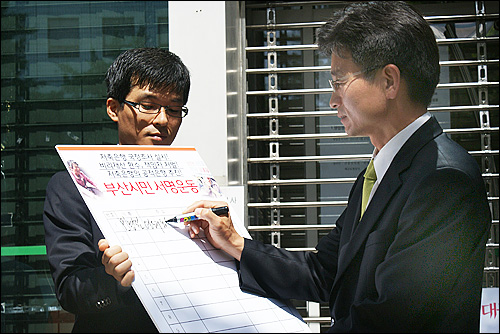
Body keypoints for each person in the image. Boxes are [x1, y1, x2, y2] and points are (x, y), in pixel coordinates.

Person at [180, 2, 492, 333]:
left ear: (389, 81)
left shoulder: (443, 181)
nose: (332, 100)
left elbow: (393, 319)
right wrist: (234, 242)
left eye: (339, 82)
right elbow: (324, 273)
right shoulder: (380, 172)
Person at [43, 48, 190, 333]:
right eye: (148, 105)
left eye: (173, 109)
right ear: (113, 108)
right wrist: (113, 280)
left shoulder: (194, 184)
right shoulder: (73, 185)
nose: (162, 120)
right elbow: (70, 288)